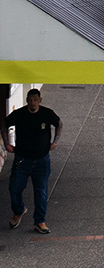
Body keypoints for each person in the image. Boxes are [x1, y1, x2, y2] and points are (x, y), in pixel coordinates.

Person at [6, 89, 61, 235]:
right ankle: (18, 210)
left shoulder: (46, 114)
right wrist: (7, 143)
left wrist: (55, 142)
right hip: (22, 159)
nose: (33, 103)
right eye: (30, 100)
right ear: (26, 100)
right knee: (14, 188)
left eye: (35, 100)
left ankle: (39, 221)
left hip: (41, 160)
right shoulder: (20, 115)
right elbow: (4, 124)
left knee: (41, 191)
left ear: (40, 100)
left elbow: (59, 124)